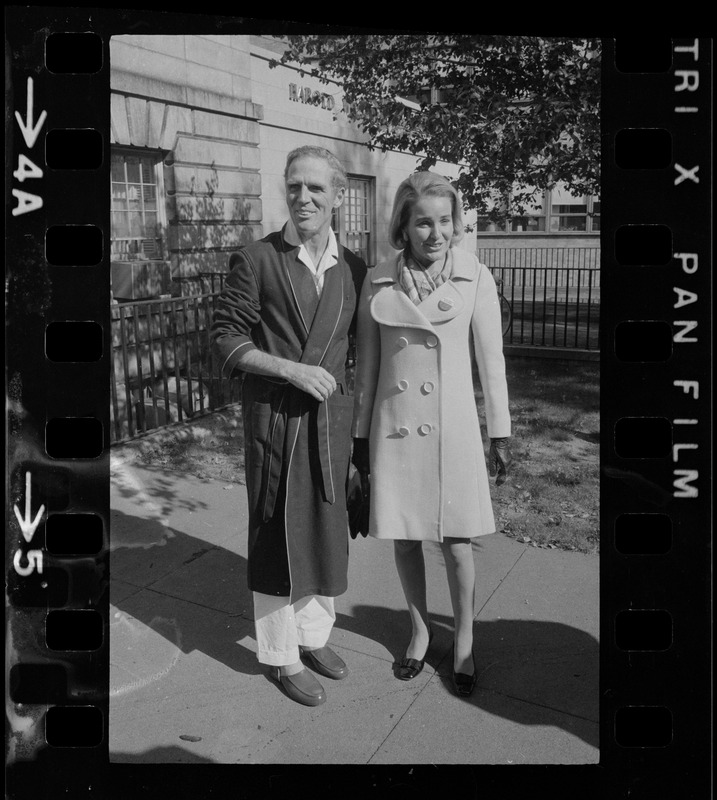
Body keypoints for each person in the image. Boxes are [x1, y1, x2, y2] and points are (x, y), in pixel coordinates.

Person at [211, 146, 367, 707]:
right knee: (275, 535)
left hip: (330, 423)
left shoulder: (354, 267)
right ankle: (279, 655)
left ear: (337, 196)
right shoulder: (257, 259)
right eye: (294, 186)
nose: (303, 198)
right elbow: (225, 338)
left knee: (326, 530)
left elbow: (359, 348)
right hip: (275, 421)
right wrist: (291, 370)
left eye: (316, 189)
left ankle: (314, 637)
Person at [351, 171, 511, 697]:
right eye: (424, 221)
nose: (436, 232)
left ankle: (464, 639)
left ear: (456, 223)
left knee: (457, 541)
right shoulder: (377, 279)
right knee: (404, 538)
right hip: (396, 431)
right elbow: (369, 369)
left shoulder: (475, 277)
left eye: (445, 220)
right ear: (405, 224)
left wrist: (499, 433)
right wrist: (359, 437)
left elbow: (492, 362)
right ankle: (419, 631)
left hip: (455, 432)